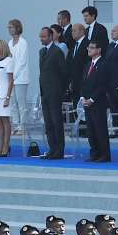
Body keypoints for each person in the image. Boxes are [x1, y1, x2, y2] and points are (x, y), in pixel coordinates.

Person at [38, 26, 68, 160]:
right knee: (48, 123)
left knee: (56, 122)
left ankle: (59, 150)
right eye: (40, 36)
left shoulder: (57, 52)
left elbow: (64, 73)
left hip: (54, 92)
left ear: (50, 36)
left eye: (43, 36)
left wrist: (60, 90)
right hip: (44, 92)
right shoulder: (41, 51)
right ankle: (52, 149)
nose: (41, 39)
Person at [80, 40, 111, 162]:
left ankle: (104, 154)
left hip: (98, 102)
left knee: (100, 129)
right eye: (89, 48)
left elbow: (103, 85)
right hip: (87, 102)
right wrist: (83, 97)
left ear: (99, 50)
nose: (89, 50)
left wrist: (92, 99)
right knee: (91, 129)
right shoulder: (88, 64)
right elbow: (83, 83)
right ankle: (94, 152)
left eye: (92, 48)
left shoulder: (104, 64)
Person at [7, 19, 30, 135]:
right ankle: (15, 125)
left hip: (21, 78)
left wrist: (13, 75)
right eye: (8, 27)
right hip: (11, 78)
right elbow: (8, 59)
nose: (9, 29)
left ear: (17, 28)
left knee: (21, 103)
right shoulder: (10, 43)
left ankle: (23, 126)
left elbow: (22, 61)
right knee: (12, 103)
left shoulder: (23, 42)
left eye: (11, 27)